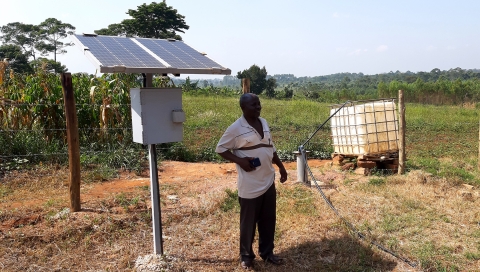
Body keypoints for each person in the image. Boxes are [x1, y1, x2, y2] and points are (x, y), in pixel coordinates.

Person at [215, 93, 288, 270]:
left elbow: (271, 147)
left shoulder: (264, 123)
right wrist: (239, 160)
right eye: (253, 105)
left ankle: (267, 253)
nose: (258, 107)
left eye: (259, 104)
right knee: (248, 223)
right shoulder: (235, 128)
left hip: (268, 180)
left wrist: (281, 166)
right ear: (243, 108)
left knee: (268, 220)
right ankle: (246, 256)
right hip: (250, 184)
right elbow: (221, 149)